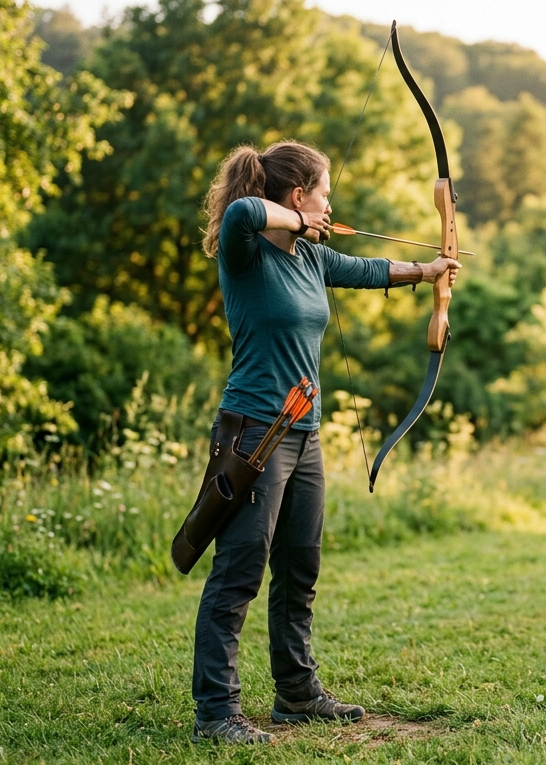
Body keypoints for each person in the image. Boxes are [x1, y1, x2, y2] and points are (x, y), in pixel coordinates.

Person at [191, 140, 460, 744]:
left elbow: (366, 270)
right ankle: (216, 712)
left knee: (299, 567)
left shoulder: (312, 260)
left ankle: (297, 693)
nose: (329, 203)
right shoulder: (246, 254)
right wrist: (298, 221)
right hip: (255, 433)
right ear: (296, 197)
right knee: (238, 572)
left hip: (304, 434)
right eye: (324, 193)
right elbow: (241, 213)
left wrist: (431, 271)